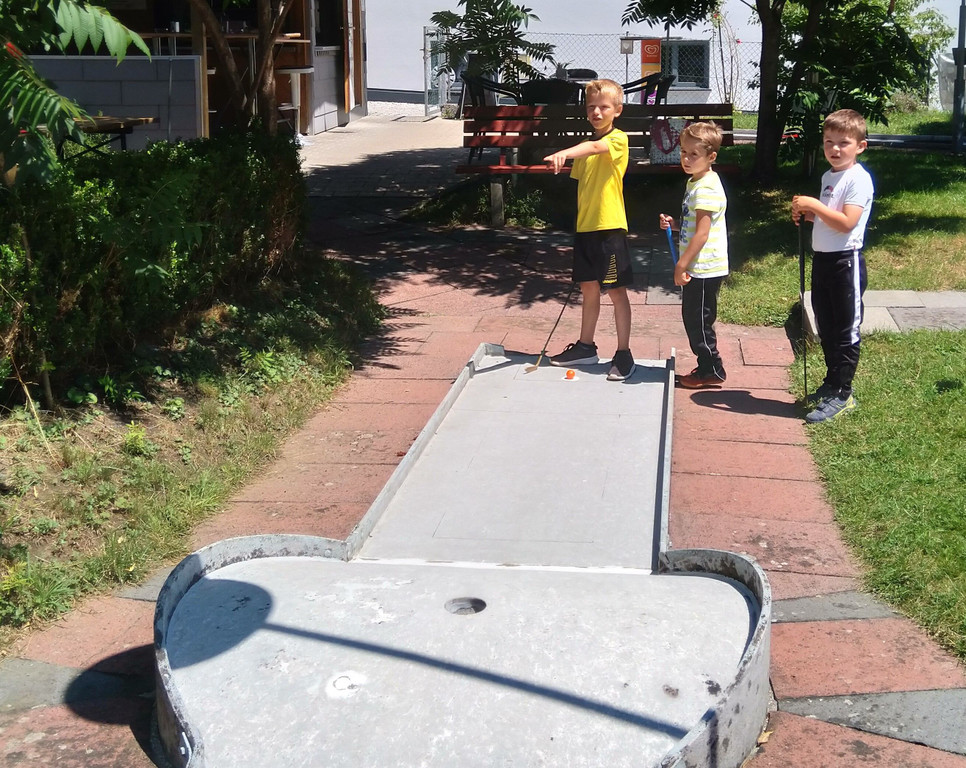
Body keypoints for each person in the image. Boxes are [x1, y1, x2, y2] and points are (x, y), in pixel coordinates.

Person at [543, 78, 635, 381]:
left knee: (616, 291)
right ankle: (585, 347)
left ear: (617, 110)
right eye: (591, 106)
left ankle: (624, 353)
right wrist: (561, 161)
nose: (596, 112)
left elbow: (596, 147)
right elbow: (585, 172)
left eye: (604, 107)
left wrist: (565, 152)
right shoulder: (585, 147)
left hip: (609, 228)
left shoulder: (618, 139)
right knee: (588, 288)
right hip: (586, 229)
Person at [791, 108, 874, 424]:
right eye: (829, 142)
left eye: (843, 143)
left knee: (844, 328)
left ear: (860, 146)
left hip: (845, 262)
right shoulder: (829, 176)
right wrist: (810, 215)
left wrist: (813, 204)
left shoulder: (858, 179)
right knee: (825, 323)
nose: (835, 149)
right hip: (823, 260)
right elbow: (830, 217)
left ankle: (843, 392)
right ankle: (831, 382)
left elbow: (847, 222)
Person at [658, 121, 729, 389]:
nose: (686, 159)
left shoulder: (707, 188)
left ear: (711, 157)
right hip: (698, 266)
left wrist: (681, 264)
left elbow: (702, 234)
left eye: (694, 154)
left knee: (698, 321)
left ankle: (712, 369)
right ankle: (708, 366)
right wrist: (676, 224)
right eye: (683, 152)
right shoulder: (696, 182)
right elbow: (695, 224)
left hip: (704, 267)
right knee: (694, 318)